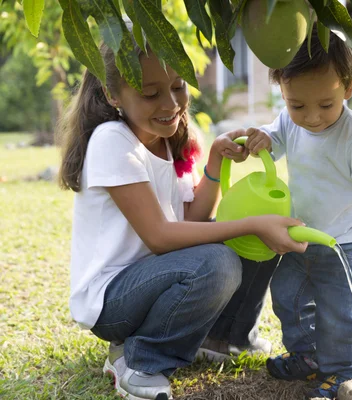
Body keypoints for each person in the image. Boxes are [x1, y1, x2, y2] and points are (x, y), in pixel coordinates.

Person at [57, 28, 307, 400]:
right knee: (219, 258)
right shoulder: (113, 140)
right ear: (113, 96)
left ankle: (223, 338)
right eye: (150, 93)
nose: (170, 102)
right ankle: (141, 360)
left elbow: (190, 219)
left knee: (246, 237)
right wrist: (253, 224)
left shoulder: (165, 141)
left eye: (178, 86)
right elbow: (159, 236)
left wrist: (216, 161)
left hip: (157, 281)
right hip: (113, 300)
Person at [243, 28, 352, 399]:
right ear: (283, 91)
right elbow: (277, 138)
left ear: (348, 87)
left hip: (348, 243)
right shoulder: (290, 120)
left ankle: (346, 372)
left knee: (339, 313)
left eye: (325, 105)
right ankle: (308, 355)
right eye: (297, 105)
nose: (312, 117)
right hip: (302, 236)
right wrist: (264, 139)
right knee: (288, 295)